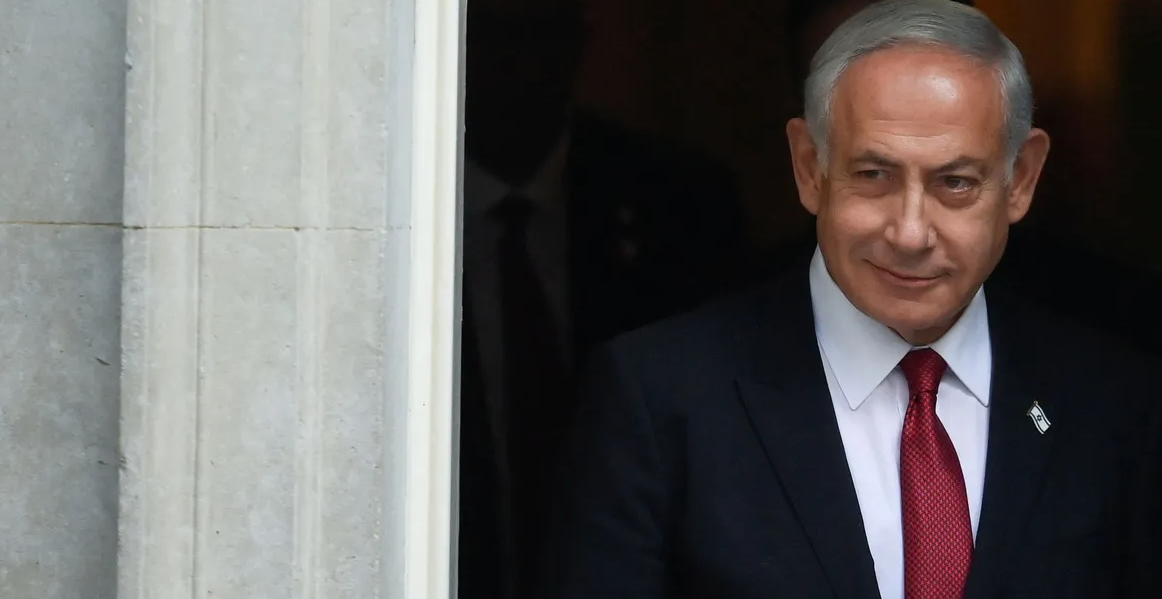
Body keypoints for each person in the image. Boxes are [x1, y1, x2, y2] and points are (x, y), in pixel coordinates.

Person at [538, 1, 1162, 598]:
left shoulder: (1111, 404)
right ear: (809, 166)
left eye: (955, 183)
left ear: (1020, 179)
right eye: (873, 176)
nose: (910, 233)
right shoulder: (660, 399)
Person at [458, 0, 750, 597]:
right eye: (495, 36)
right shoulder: (385, 216)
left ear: (579, 43)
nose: (520, 66)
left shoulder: (679, 203)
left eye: (540, 34)